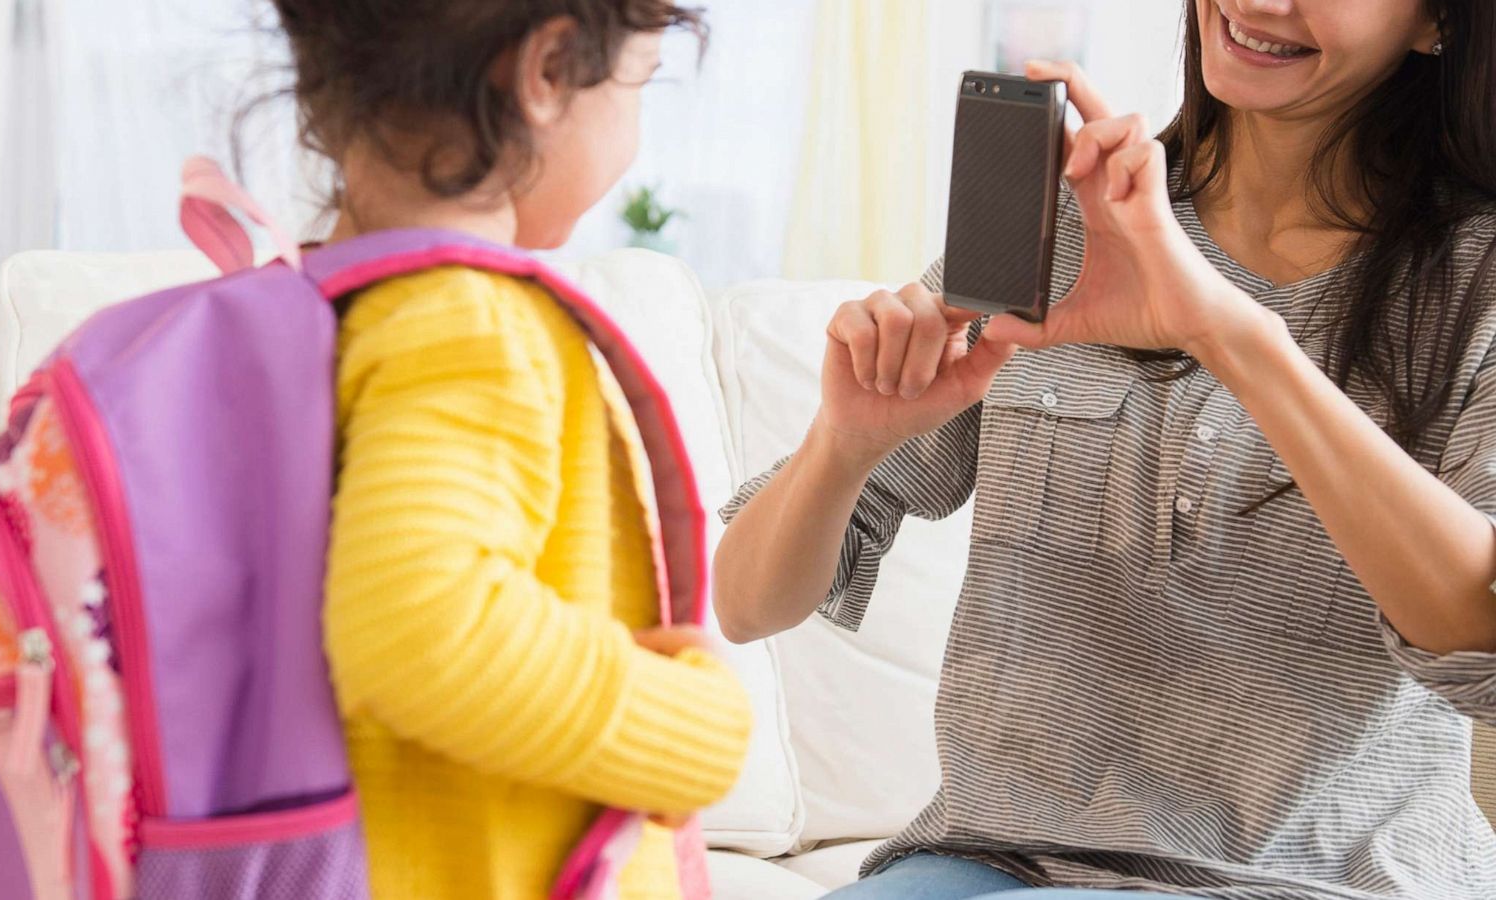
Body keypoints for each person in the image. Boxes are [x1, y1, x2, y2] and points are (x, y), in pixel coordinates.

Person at [716, 1, 1496, 898]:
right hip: (992, 860)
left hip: (1313, 881)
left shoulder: (1473, 279)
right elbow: (744, 605)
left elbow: (1479, 640)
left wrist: (1235, 339)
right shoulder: (1072, 225)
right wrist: (842, 447)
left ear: (1438, 22)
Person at [271, 1, 753, 897]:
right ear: (549, 70)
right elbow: (418, 625)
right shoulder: (465, 319)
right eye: (639, 84)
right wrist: (693, 724)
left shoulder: (312, 309)